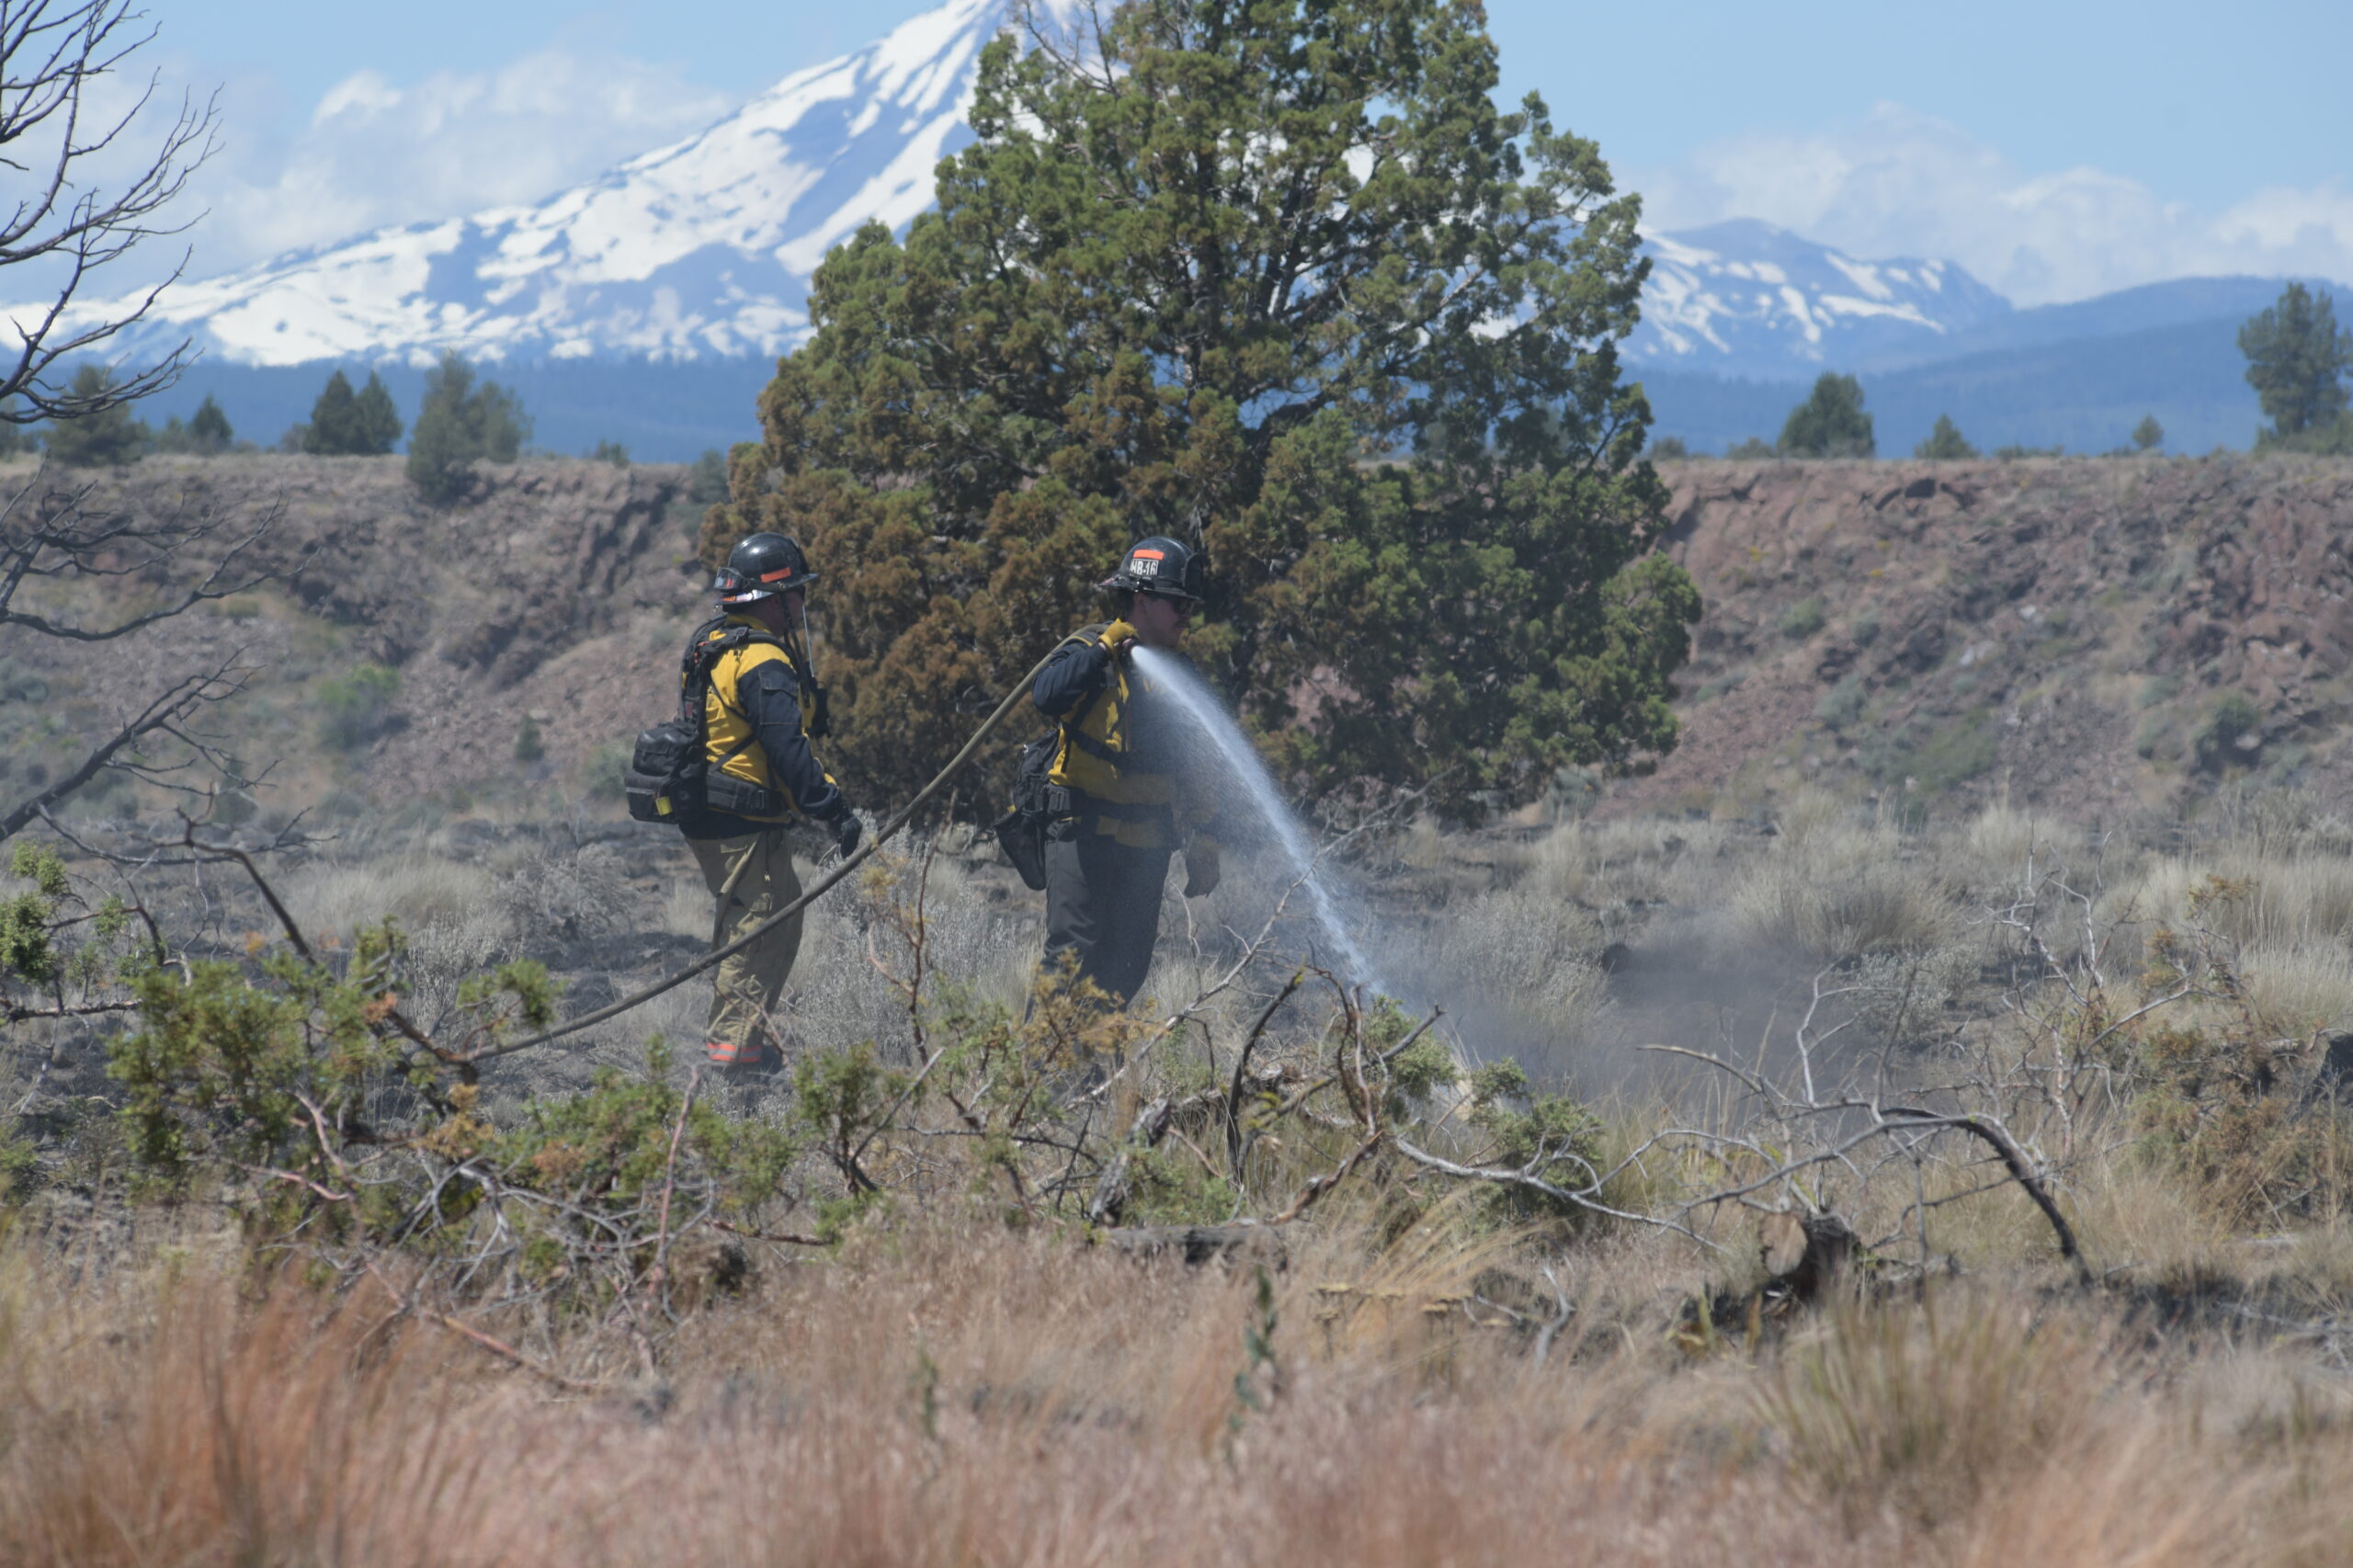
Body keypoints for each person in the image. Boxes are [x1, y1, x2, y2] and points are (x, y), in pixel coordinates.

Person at [677, 532, 861, 1074]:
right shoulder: (760, 659)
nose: (803, 605)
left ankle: (747, 1043)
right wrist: (833, 811)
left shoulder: (718, 642)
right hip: (741, 819)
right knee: (754, 931)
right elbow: (788, 749)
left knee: (777, 918)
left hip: (725, 813)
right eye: (797, 594)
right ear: (775, 597)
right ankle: (731, 1063)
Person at [1029, 536, 1222, 1008]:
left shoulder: (1184, 674)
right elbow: (1045, 696)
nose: (1186, 614)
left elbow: (1199, 764)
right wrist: (1101, 651)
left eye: (1190, 604)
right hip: (1081, 832)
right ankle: (1034, 1076)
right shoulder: (1089, 649)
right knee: (1070, 958)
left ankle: (1094, 1076)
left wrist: (1206, 842)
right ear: (1142, 600)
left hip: (1148, 844)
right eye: (1177, 602)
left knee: (1125, 969)